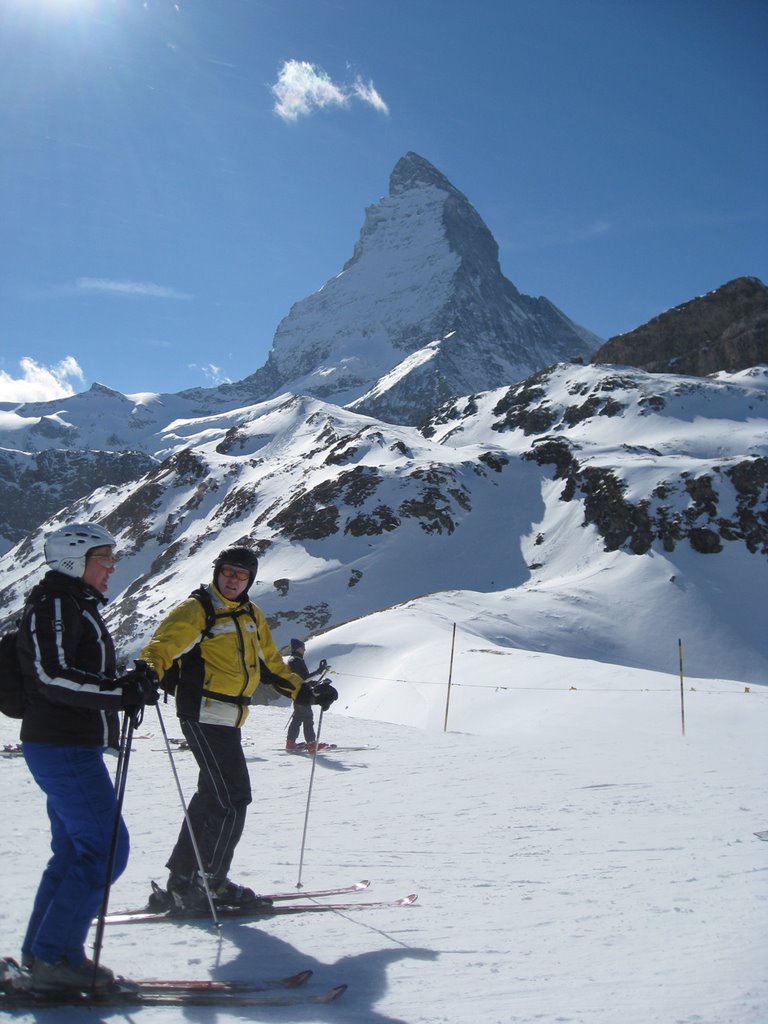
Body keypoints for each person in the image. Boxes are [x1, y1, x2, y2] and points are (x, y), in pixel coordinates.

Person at [139, 546, 338, 911]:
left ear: (249, 580)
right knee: (233, 797)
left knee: (212, 796)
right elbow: (162, 646)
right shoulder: (198, 609)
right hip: (201, 711)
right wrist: (146, 671)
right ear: (217, 573)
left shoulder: (250, 615)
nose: (233, 580)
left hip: (229, 717)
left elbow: (271, 665)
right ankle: (210, 883)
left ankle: (184, 879)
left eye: (241, 575)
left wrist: (303, 690)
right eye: (228, 572)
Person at [17, 523, 159, 993]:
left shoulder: (73, 603)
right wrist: (120, 692)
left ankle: (46, 954)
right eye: (105, 559)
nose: (113, 567)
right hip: (62, 747)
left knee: (75, 851)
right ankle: (54, 957)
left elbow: (73, 671)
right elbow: (51, 676)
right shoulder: (57, 603)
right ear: (75, 561)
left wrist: (127, 683)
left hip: (69, 745)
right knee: (105, 852)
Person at [285, 639, 328, 753]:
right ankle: (311, 744)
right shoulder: (296, 661)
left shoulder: (294, 660)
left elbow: (301, 679)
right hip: (302, 694)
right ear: (297, 648)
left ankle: (291, 743)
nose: (304, 650)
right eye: (303, 648)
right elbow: (303, 678)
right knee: (308, 717)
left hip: (298, 693)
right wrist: (318, 672)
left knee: (298, 718)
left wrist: (311, 682)